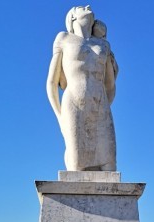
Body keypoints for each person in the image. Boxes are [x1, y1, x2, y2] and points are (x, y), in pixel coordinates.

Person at [47, 6, 117, 171]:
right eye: (80, 8)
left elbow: (110, 84)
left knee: (110, 165)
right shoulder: (63, 39)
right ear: (72, 18)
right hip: (74, 104)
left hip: (100, 107)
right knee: (77, 165)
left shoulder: (103, 45)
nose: (87, 7)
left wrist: (102, 106)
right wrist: (60, 116)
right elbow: (51, 82)